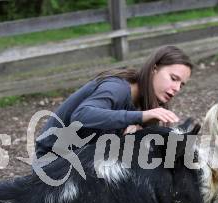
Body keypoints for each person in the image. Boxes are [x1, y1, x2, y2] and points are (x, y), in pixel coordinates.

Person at [34, 45, 193, 160]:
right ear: (154, 69)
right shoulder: (117, 88)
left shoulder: (148, 101)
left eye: (182, 84)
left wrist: (137, 131)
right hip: (53, 163)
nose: (177, 88)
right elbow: (81, 115)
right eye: (173, 78)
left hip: (84, 162)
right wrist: (139, 116)